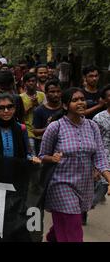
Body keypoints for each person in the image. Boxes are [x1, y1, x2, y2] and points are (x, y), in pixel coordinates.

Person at [39, 88, 110, 242]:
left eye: (82, 99)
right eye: (75, 100)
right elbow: (42, 156)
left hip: (84, 185)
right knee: (73, 230)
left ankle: (53, 238)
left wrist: (109, 178)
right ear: (65, 106)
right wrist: (53, 158)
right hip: (60, 184)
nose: (80, 103)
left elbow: (100, 156)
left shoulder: (92, 127)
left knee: (66, 223)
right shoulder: (55, 127)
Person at [0, 94, 39, 162]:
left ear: (14, 109)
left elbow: (27, 153)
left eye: (10, 107)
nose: (6, 111)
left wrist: (32, 158)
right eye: (1, 108)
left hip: (17, 170)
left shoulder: (21, 128)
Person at [33, 79, 62, 152]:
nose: (56, 94)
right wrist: (51, 128)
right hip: (46, 147)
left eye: (58, 91)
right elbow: (35, 132)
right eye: (52, 92)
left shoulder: (66, 108)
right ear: (46, 93)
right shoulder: (39, 110)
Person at [20, 73, 46, 154]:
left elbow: (45, 110)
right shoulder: (20, 97)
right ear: (24, 83)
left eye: (33, 81)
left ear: (36, 82)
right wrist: (32, 105)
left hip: (42, 130)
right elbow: (20, 114)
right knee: (32, 155)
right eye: (28, 81)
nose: (31, 83)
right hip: (28, 131)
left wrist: (37, 104)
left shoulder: (42, 95)